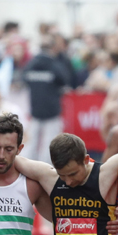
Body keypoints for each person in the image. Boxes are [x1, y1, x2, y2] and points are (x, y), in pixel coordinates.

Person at [23, 36, 70, 164]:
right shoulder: (55, 64)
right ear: (52, 49)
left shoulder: (31, 64)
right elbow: (65, 79)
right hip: (52, 111)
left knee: (31, 143)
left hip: (36, 109)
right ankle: (47, 169)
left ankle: (27, 166)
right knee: (51, 143)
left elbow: (24, 77)